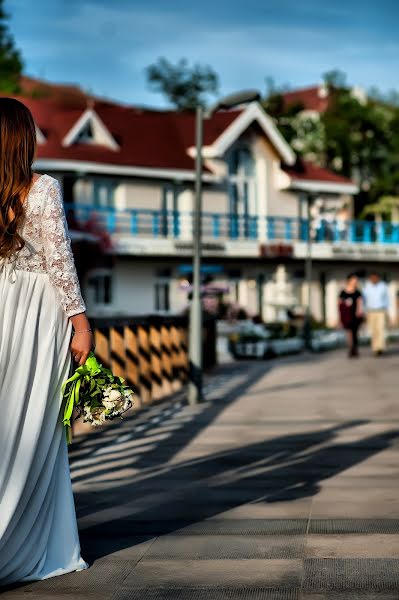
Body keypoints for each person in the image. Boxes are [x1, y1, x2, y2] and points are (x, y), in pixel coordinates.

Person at [0, 99, 94, 585]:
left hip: (2, 301)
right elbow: (60, 258)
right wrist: (80, 322)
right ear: (24, 139)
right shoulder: (43, 188)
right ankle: (26, 540)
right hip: (36, 312)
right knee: (32, 421)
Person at [363, 272, 389, 356]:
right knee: (373, 330)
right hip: (371, 311)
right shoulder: (367, 287)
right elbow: (364, 300)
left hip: (381, 310)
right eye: (372, 278)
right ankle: (375, 348)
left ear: (378, 278)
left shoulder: (383, 286)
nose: (373, 279)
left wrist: (387, 310)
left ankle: (380, 347)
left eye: (375, 278)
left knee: (380, 329)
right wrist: (365, 311)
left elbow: (387, 299)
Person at [338, 273, 364, 358]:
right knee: (349, 332)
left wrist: (359, 311)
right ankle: (350, 348)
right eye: (354, 280)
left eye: (356, 280)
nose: (355, 282)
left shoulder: (357, 292)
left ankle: (355, 348)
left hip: (355, 314)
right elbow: (339, 303)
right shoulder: (343, 292)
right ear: (349, 281)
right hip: (346, 315)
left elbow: (360, 302)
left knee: (355, 332)